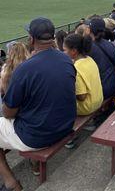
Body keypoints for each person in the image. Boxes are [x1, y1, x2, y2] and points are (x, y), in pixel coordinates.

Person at [0, 17, 76, 190]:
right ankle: (31, 166)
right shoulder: (66, 60)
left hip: (39, 135)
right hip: (65, 126)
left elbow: (8, 113)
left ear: (31, 39)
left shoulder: (24, 69)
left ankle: (10, 182)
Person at [63, 33, 103, 115]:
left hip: (86, 108)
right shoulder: (89, 59)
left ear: (74, 51)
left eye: (65, 50)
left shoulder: (76, 68)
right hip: (98, 101)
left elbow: (81, 97)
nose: (63, 52)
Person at [88, 18, 115, 99]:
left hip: (97, 90)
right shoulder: (110, 45)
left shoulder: (86, 48)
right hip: (111, 85)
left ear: (89, 30)